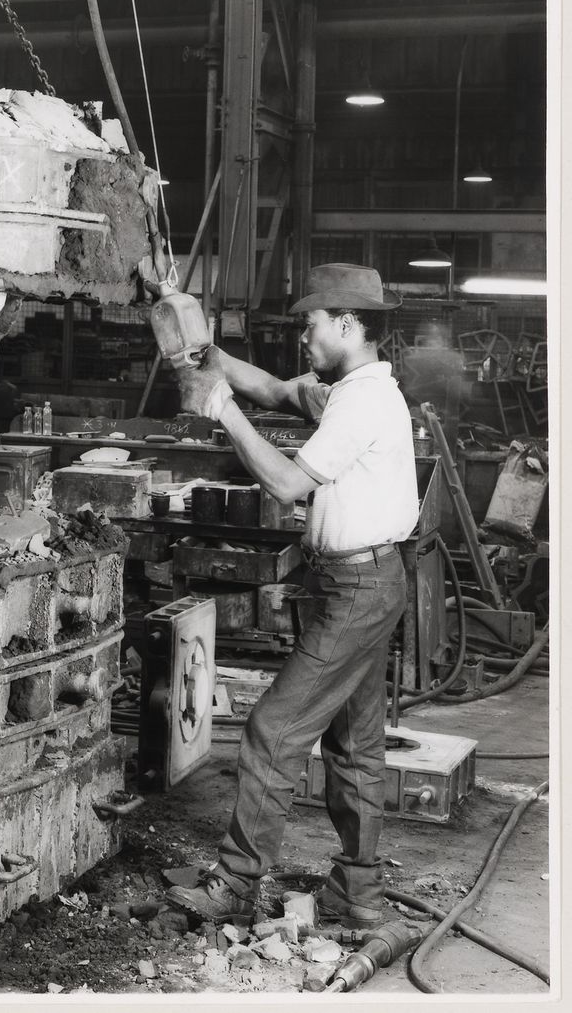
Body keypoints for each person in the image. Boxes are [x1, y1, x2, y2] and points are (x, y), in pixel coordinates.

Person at [164, 263, 419, 928]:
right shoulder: (349, 386)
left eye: (312, 326)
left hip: (358, 589)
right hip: (360, 580)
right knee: (356, 744)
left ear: (346, 324)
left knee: (274, 728)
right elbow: (275, 388)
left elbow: (283, 483)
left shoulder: (360, 403)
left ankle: (236, 882)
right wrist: (212, 356)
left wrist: (220, 408)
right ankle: (357, 894)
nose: (304, 337)